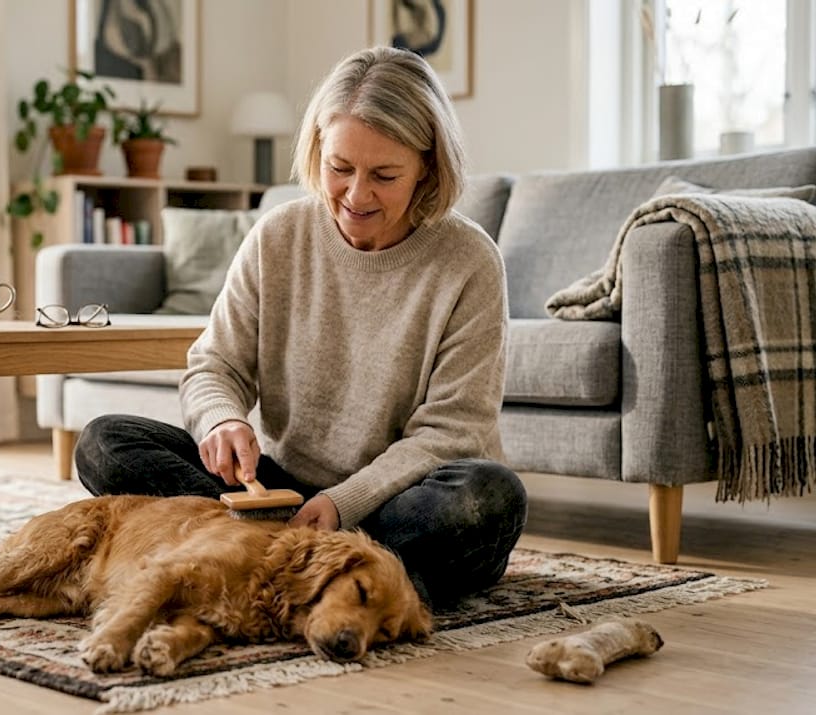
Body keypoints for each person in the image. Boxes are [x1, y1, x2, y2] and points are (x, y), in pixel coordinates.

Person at [73, 46, 527, 610]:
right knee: (105, 443)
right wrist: (222, 420)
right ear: (318, 150)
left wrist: (341, 504)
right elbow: (215, 366)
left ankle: (254, 560)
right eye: (340, 168)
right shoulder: (278, 235)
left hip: (391, 501)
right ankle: (335, 575)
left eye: (384, 175)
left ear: (428, 167)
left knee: (488, 497)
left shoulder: (470, 261)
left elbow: (451, 434)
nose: (356, 196)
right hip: (278, 493)